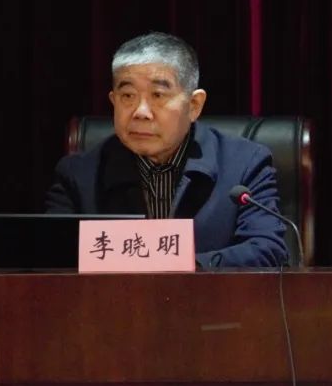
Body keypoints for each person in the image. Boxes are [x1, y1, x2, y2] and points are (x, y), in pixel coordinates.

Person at [45, 32, 289, 268]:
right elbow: (51, 259)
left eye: (158, 95)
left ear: (194, 105)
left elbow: (268, 249)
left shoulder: (245, 165)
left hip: (208, 296)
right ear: (113, 101)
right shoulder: (77, 175)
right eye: (127, 95)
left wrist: (185, 268)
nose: (141, 112)